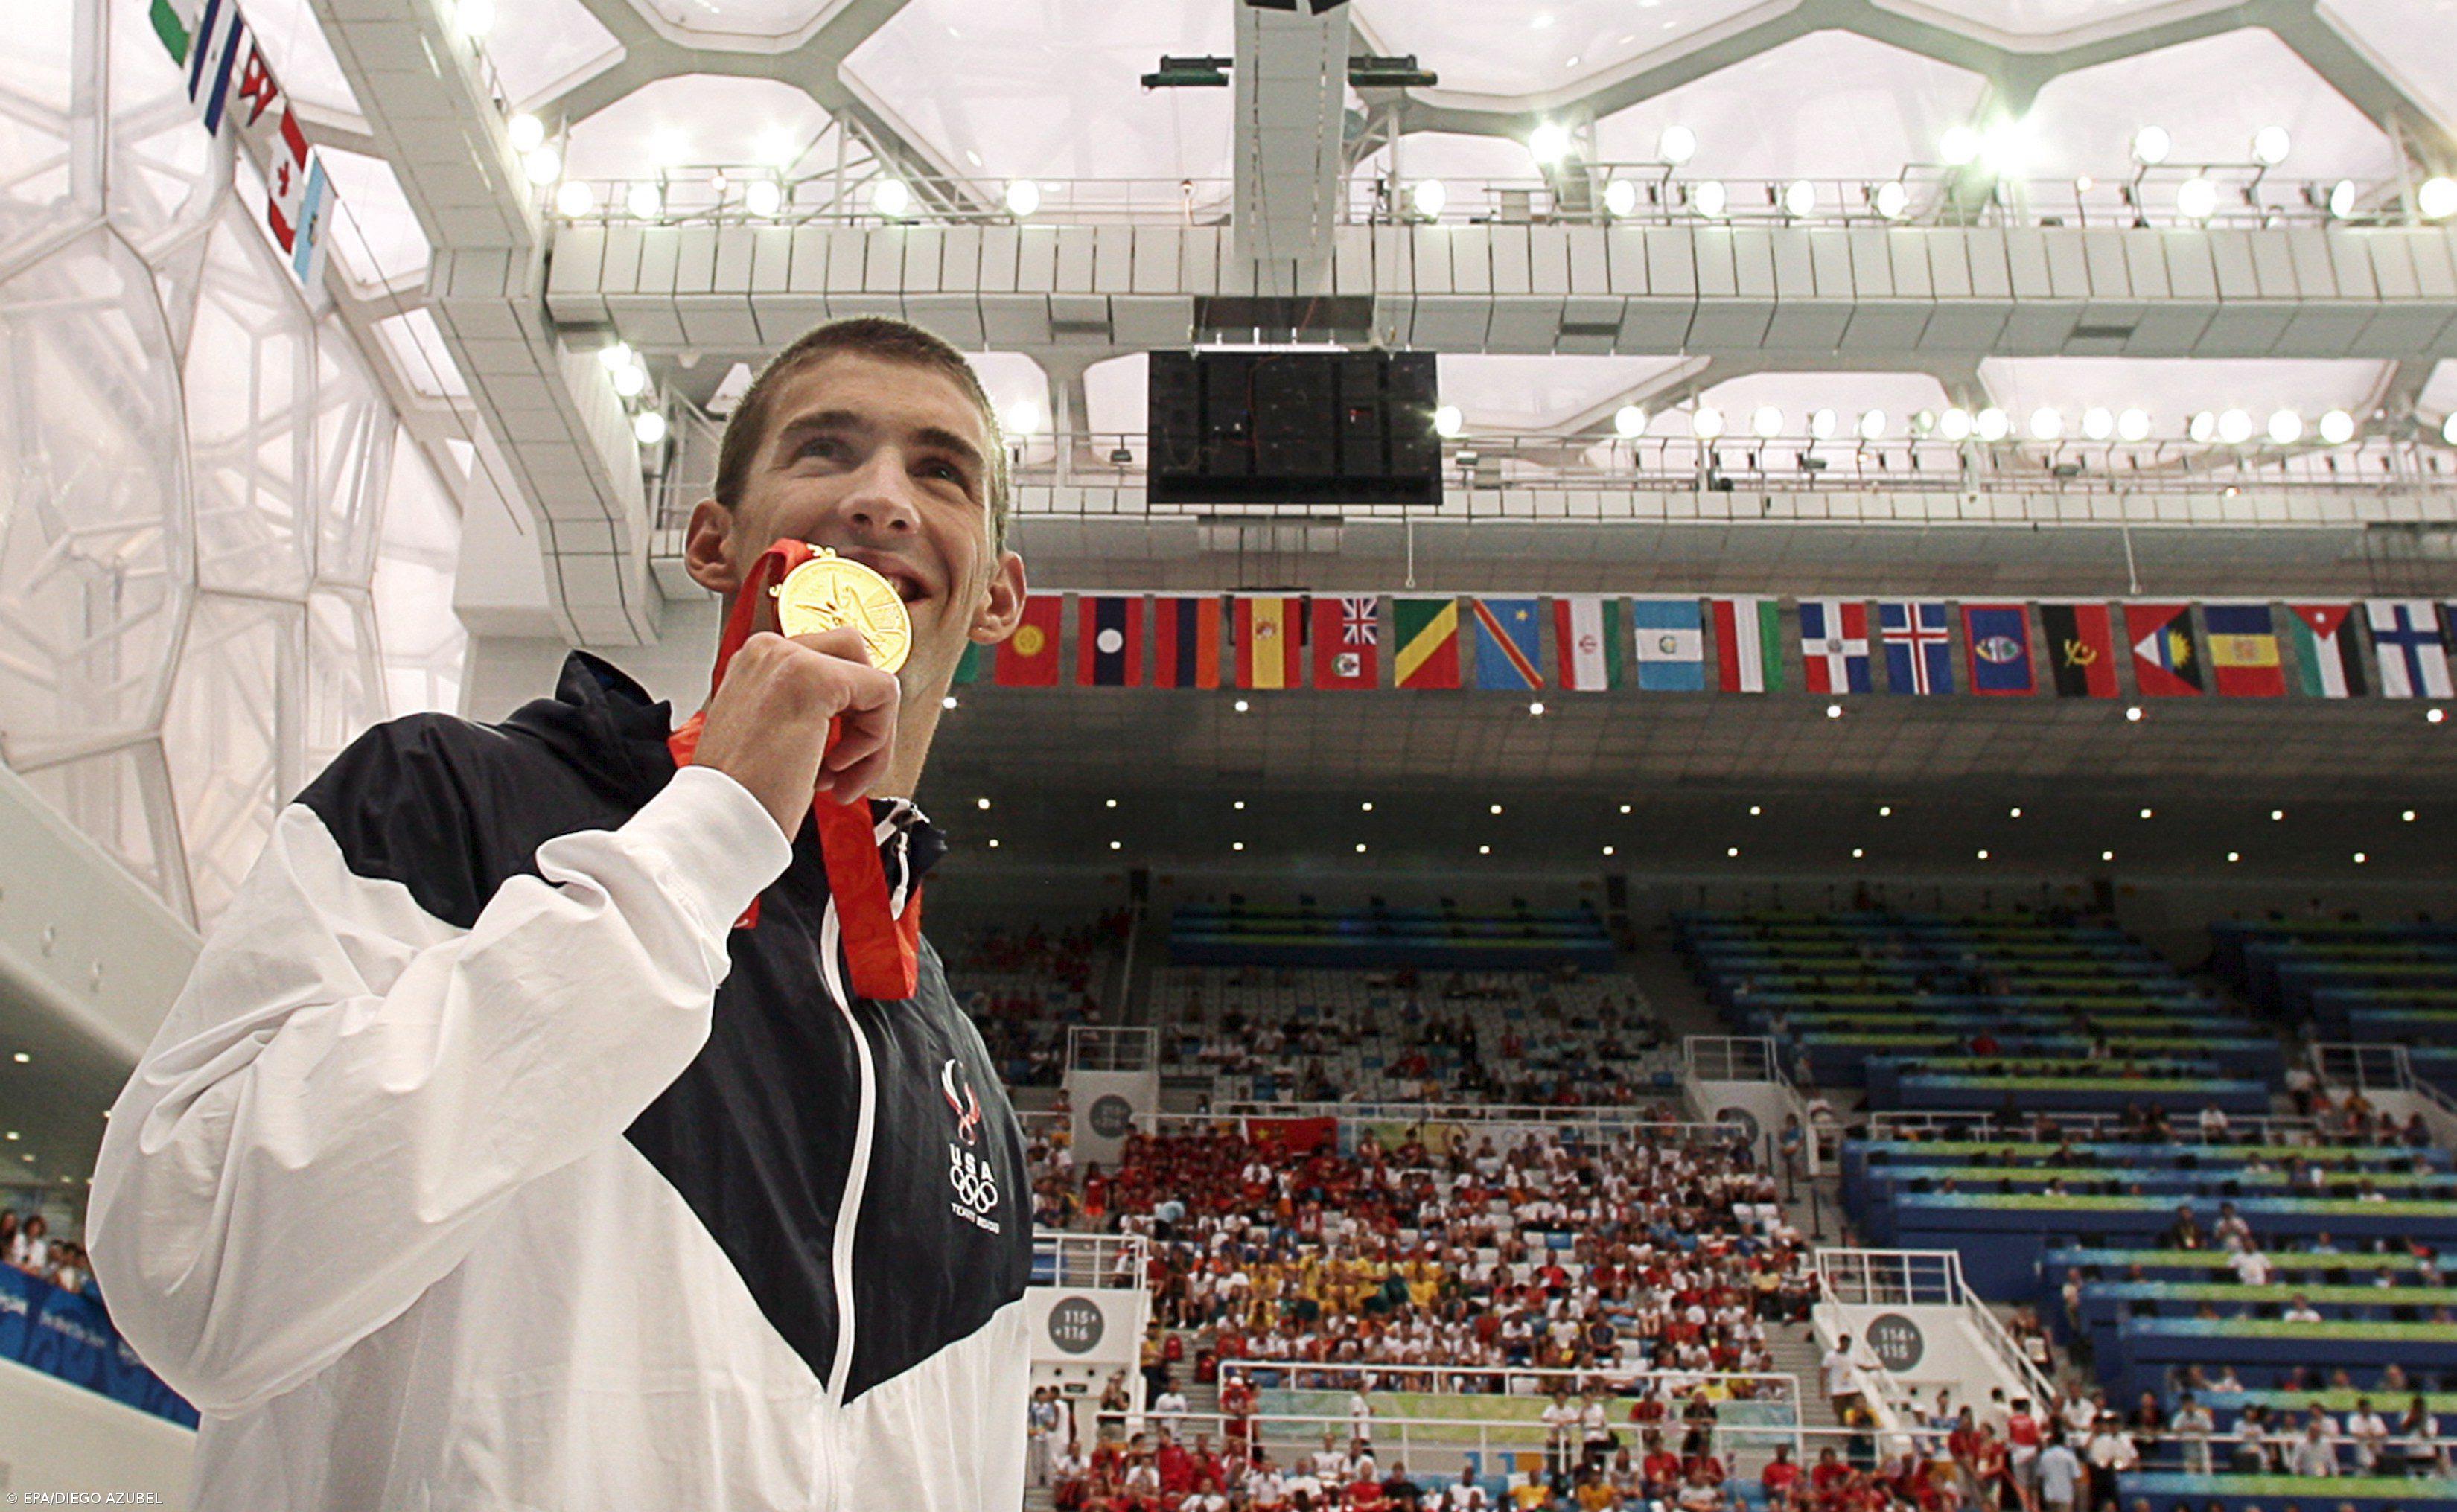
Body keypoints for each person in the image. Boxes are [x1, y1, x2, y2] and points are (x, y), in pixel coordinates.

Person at [86, 318, 1037, 1509]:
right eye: (825, 450)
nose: (882, 500)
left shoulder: (966, 1080)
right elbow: (199, 1273)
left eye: (940, 471)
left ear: (997, 595)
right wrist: (708, 837)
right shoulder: (445, 799)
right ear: (712, 542)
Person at [2037, 1435, 2083, 1512]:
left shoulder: (2045, 1455)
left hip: (2050, 1494)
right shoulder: (2069, 1456)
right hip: (2065, 1495)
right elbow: (2076, 1476)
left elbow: (2040, 1475)